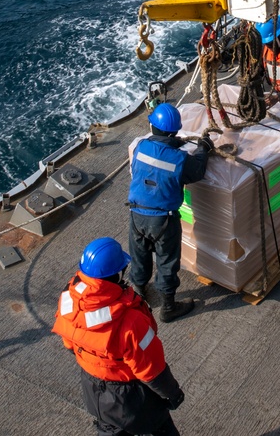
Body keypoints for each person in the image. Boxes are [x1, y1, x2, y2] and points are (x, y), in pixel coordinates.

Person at [53, 237, 186, 436]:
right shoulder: (131, 322)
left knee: (108, 429)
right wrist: (173, 394)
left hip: (93, 389)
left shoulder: (68, 300)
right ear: (116, 274)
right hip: (131, 397)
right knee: (160, 429)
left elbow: (69, 343)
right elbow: (151, 369)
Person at [127, 102, 212, 322]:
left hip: (137, 214)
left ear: (153, 126)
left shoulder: (140, 147)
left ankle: (138, 291)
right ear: (175, 130)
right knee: (166, 260)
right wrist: (204, 149)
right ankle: (168, 307)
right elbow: (197, 171)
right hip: (163, 219)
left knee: (140, 253)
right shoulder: (179, 159)